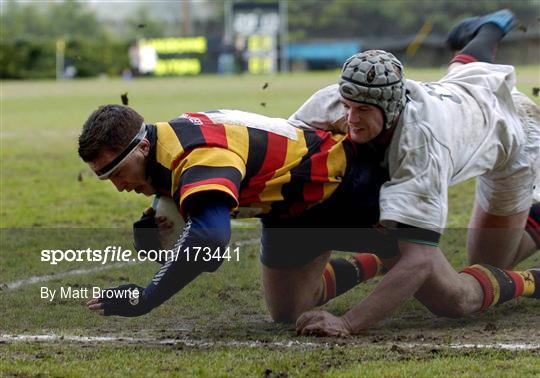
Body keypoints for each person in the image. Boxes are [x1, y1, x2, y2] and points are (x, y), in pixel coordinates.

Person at [78, 106, 538, 335]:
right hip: (287, 210)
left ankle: (533, 270)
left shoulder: (198, 157)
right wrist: (148, 234)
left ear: (140, 146)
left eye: (117, 173)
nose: (117, 185)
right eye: (106, 179)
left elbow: (210, 243)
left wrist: (146, 297)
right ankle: (377, 263)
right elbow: (175, 230)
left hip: (345, 190)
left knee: (452, 300)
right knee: (288, 314)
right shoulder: (161, 147)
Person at [289, 9, 540, 336]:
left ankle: (534, 272)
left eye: (362, 110)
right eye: (347, 106)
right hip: (465, 89)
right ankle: (490, 27)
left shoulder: (421, 145)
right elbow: (285, 145)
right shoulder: (340, 99)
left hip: (516, 133)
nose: (349, 117)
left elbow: (419, 259)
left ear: (391, 108)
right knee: (465, 70)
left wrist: (349, 322)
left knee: (487, 264)